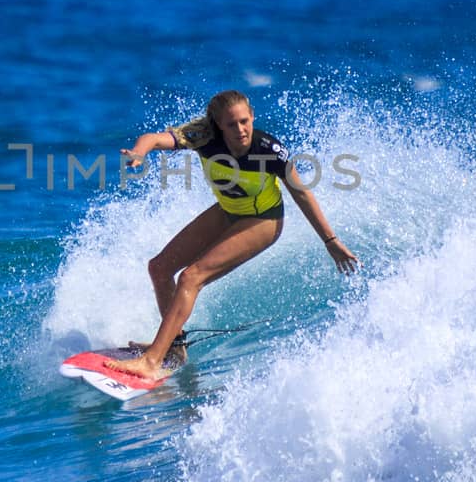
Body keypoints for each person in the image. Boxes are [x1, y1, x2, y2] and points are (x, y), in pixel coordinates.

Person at [109, 90, 358, 380]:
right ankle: (174, 348)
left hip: (263, 221)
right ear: (217, 125)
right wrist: (141, 153)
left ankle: (152, 361)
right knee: (160, 268)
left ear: (252, 117)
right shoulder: (202, 135)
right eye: (231, 124)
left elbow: (301, 193)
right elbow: (153, 138)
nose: (240, 130)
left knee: (191, 277)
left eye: (244, 121)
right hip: (228, 210)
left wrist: (330, 241)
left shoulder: (269, 149)